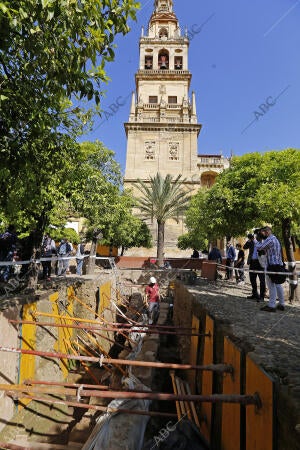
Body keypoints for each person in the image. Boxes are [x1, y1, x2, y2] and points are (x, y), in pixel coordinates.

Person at [256, 226, 285, 312]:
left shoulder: (269, 239)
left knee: (271, 285)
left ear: (267, 232)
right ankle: (282, 304)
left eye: (262, 233)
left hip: (272, 266)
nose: (261, 234)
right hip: (278, 265)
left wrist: (258, 240)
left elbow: (259, 247)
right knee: (277, 285)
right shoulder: (275, 239)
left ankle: (271, 305)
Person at [243, 232, 266, 301]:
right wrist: (249, 240)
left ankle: (262, 297)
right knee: (252, 279)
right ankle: (255, 294)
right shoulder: (251, 242)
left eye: (256, 236)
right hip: (252, 262)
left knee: (262, 280)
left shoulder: (263, 242)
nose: (255, 237)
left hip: (260, 263)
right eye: (254, 236)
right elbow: (244, 247)